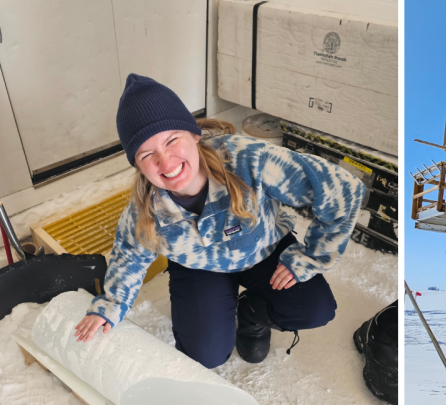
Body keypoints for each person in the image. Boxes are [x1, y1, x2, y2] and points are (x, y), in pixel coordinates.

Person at [73, 74, 365, 368]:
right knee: (205, 356)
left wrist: (310, 257)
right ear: (137, 165)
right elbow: (129, 256)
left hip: (263, 250)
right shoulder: (146, 209)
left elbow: (343, 190)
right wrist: (108, 306)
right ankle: (218, 315)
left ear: (194, 135)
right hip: (199, 268)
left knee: (315, 309)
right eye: (147, 154)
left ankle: (250, 315)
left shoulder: (250, 160)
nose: (165, 162)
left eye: (172, 140)